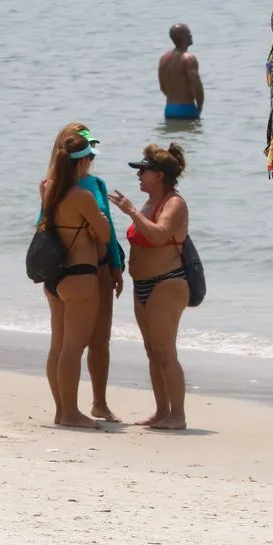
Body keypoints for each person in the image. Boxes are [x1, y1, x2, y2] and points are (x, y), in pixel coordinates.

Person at [41, 124, 125, 422]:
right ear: (82, 159)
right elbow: (105, 231)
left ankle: (81, 407)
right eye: (90, 152)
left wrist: (115, 264)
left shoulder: (53, 188)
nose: (93, 158)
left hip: (69, 272)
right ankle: (67, 410)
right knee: (70, 346)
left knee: (79, 343)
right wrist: (93, 224)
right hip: (80, 270)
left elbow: (46, 225)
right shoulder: (73, 191)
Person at [109, 143, 191, 430]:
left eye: (143, 170)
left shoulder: (174, 203)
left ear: (159, 175)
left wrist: (132, 212)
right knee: (152, 351)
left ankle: (178, 415)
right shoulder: (148, 203)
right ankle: (161, 411)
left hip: (167, 283)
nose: (139, 175)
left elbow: (159, 235)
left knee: (165, 351)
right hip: (142, 285)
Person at [159, 24, 204, 120]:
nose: (191, 35)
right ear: (183, 37)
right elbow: (197, 87)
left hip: (169, 109)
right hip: (186, 109)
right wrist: (199, 108)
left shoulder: (163, 59)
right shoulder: (189, 59)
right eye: (188, 33)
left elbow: (162, 87)